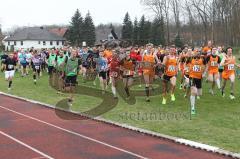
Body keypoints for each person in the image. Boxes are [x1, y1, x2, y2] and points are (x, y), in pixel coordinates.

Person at [189, 48, 207, 115]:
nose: (197, 53)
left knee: (199, 93)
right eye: (196, 52)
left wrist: (204, 73)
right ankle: (193, 108)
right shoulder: (191, 58)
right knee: (193, 92)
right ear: (194, 53)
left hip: (199, 78)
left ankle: (195, 92)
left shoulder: (202, 59)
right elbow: (185, 63)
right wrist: (186, 69)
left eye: (198, 52)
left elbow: (206, 65)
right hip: (192, 77)